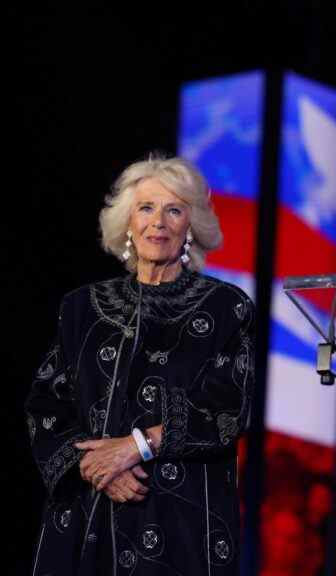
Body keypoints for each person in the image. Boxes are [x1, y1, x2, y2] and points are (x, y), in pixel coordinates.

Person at [26, 155, 255, 575]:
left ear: (191, 225)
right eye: (146, 208)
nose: (159, 222)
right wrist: (98, 469)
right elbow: (46, 406)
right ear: (127, 222)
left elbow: (226, 412)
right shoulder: (80, 309)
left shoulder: (226, 307)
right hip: (85, 513)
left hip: (178, 520)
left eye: (174, 210)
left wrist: (135, 446)